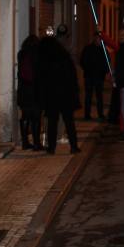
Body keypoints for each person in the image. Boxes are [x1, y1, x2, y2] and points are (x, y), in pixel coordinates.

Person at [37, 26, 80, 154]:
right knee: (66, 121)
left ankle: (52, 148)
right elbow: (71, 77)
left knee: (53, 121)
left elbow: (43, 75)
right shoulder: (64, 56)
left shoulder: (48, 55)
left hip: (53, 94)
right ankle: (72, 146)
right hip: (63, 94)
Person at [17, 34, 42, 150]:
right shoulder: (38, 55)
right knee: (36, 118)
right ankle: (37, 143)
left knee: (25, 116)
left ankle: (25, 142)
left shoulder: (21, 54)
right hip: (35, 91)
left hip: (23, 91)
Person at [80, 37, 108, 120]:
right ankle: (87, 114)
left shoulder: (102, 49)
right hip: (90, 76)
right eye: (98, 39)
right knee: (89, 96)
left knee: (99, 96)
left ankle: (99, 114)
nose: (99, 41)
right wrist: (87, 69)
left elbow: (106, 61)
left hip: (98, 76)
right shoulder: (88, 49)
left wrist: (104, 71)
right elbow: (82, 61)